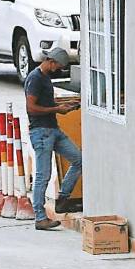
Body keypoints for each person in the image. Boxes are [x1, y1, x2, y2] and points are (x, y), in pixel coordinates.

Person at [25, 46, 83, 230]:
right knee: (43, 176)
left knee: (79, 159)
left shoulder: (45, 78)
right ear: (51, 61)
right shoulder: (35, 79)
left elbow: (47, 103)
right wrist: (58, 109)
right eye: (58, 65)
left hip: (52, 129)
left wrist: (68, 103)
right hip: (42, 132)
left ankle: (63, 198)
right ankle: (40, 218)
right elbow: (31, 108)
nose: (58, 69)